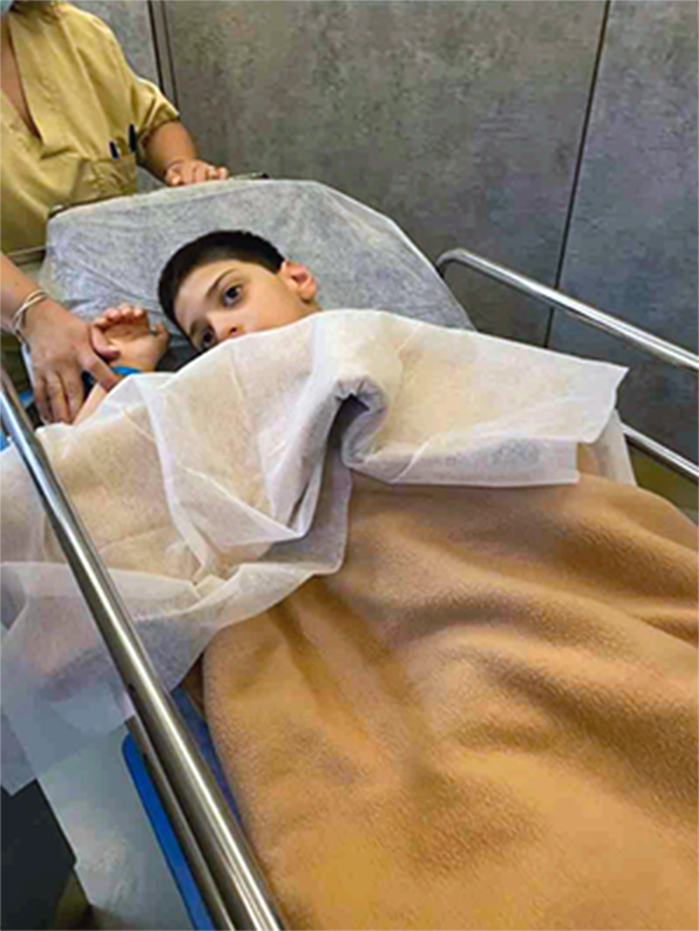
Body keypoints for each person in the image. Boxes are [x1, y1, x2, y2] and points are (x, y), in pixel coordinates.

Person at [0, 0, 229, 424]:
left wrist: (180, 166)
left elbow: (150, 123)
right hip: (19, 377)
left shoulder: (73, 33)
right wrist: (32, 313)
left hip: (133, 341)